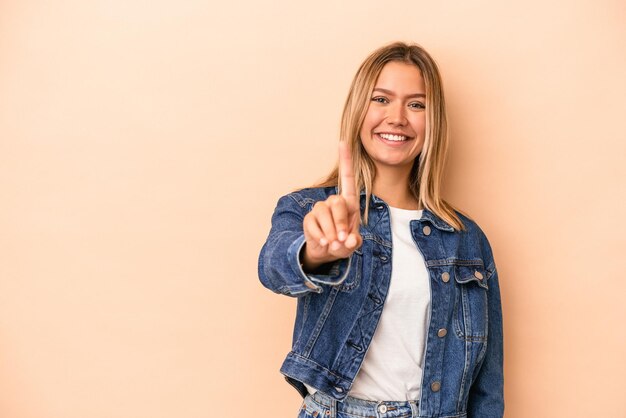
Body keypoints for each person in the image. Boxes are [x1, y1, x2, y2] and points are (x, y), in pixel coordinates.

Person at [258, 41, 504, 418]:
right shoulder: (309, 208)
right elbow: (274, 267)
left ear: (432, 120)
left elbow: (487, 383)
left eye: (416, 104)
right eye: (381, 99)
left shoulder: (466, 239)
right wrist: (317, 254)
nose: (398, 117)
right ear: (359, 110)